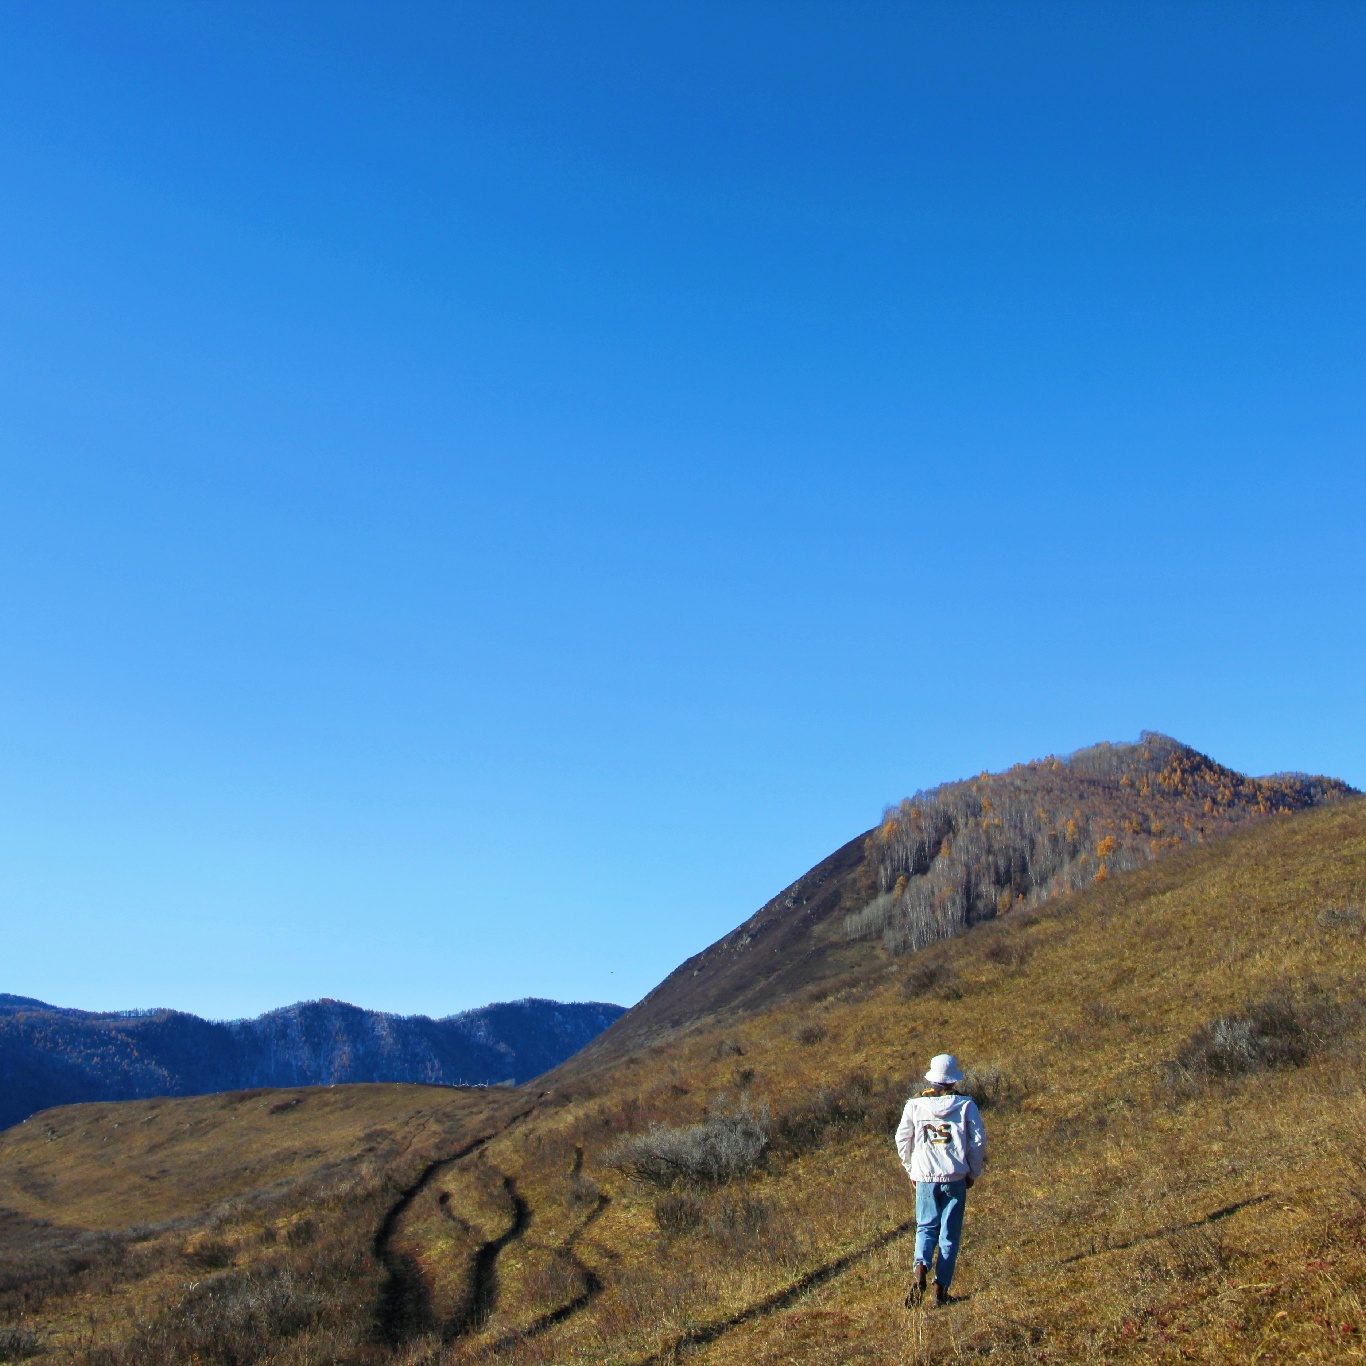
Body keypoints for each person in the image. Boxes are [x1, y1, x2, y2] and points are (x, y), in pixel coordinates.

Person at [894, 1053, 986, 1307]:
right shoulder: (966, 1105)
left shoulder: (914, 1105)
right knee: (949, 1234)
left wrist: (911, 1169)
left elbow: (902, 1140)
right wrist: (972, 1172)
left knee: (926, 1227)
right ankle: (941, 1288)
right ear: (954, 1080)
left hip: (924, 1175)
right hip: (955, 1175)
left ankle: (921, 1265)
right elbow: (977, 1142)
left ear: (932, 1079)